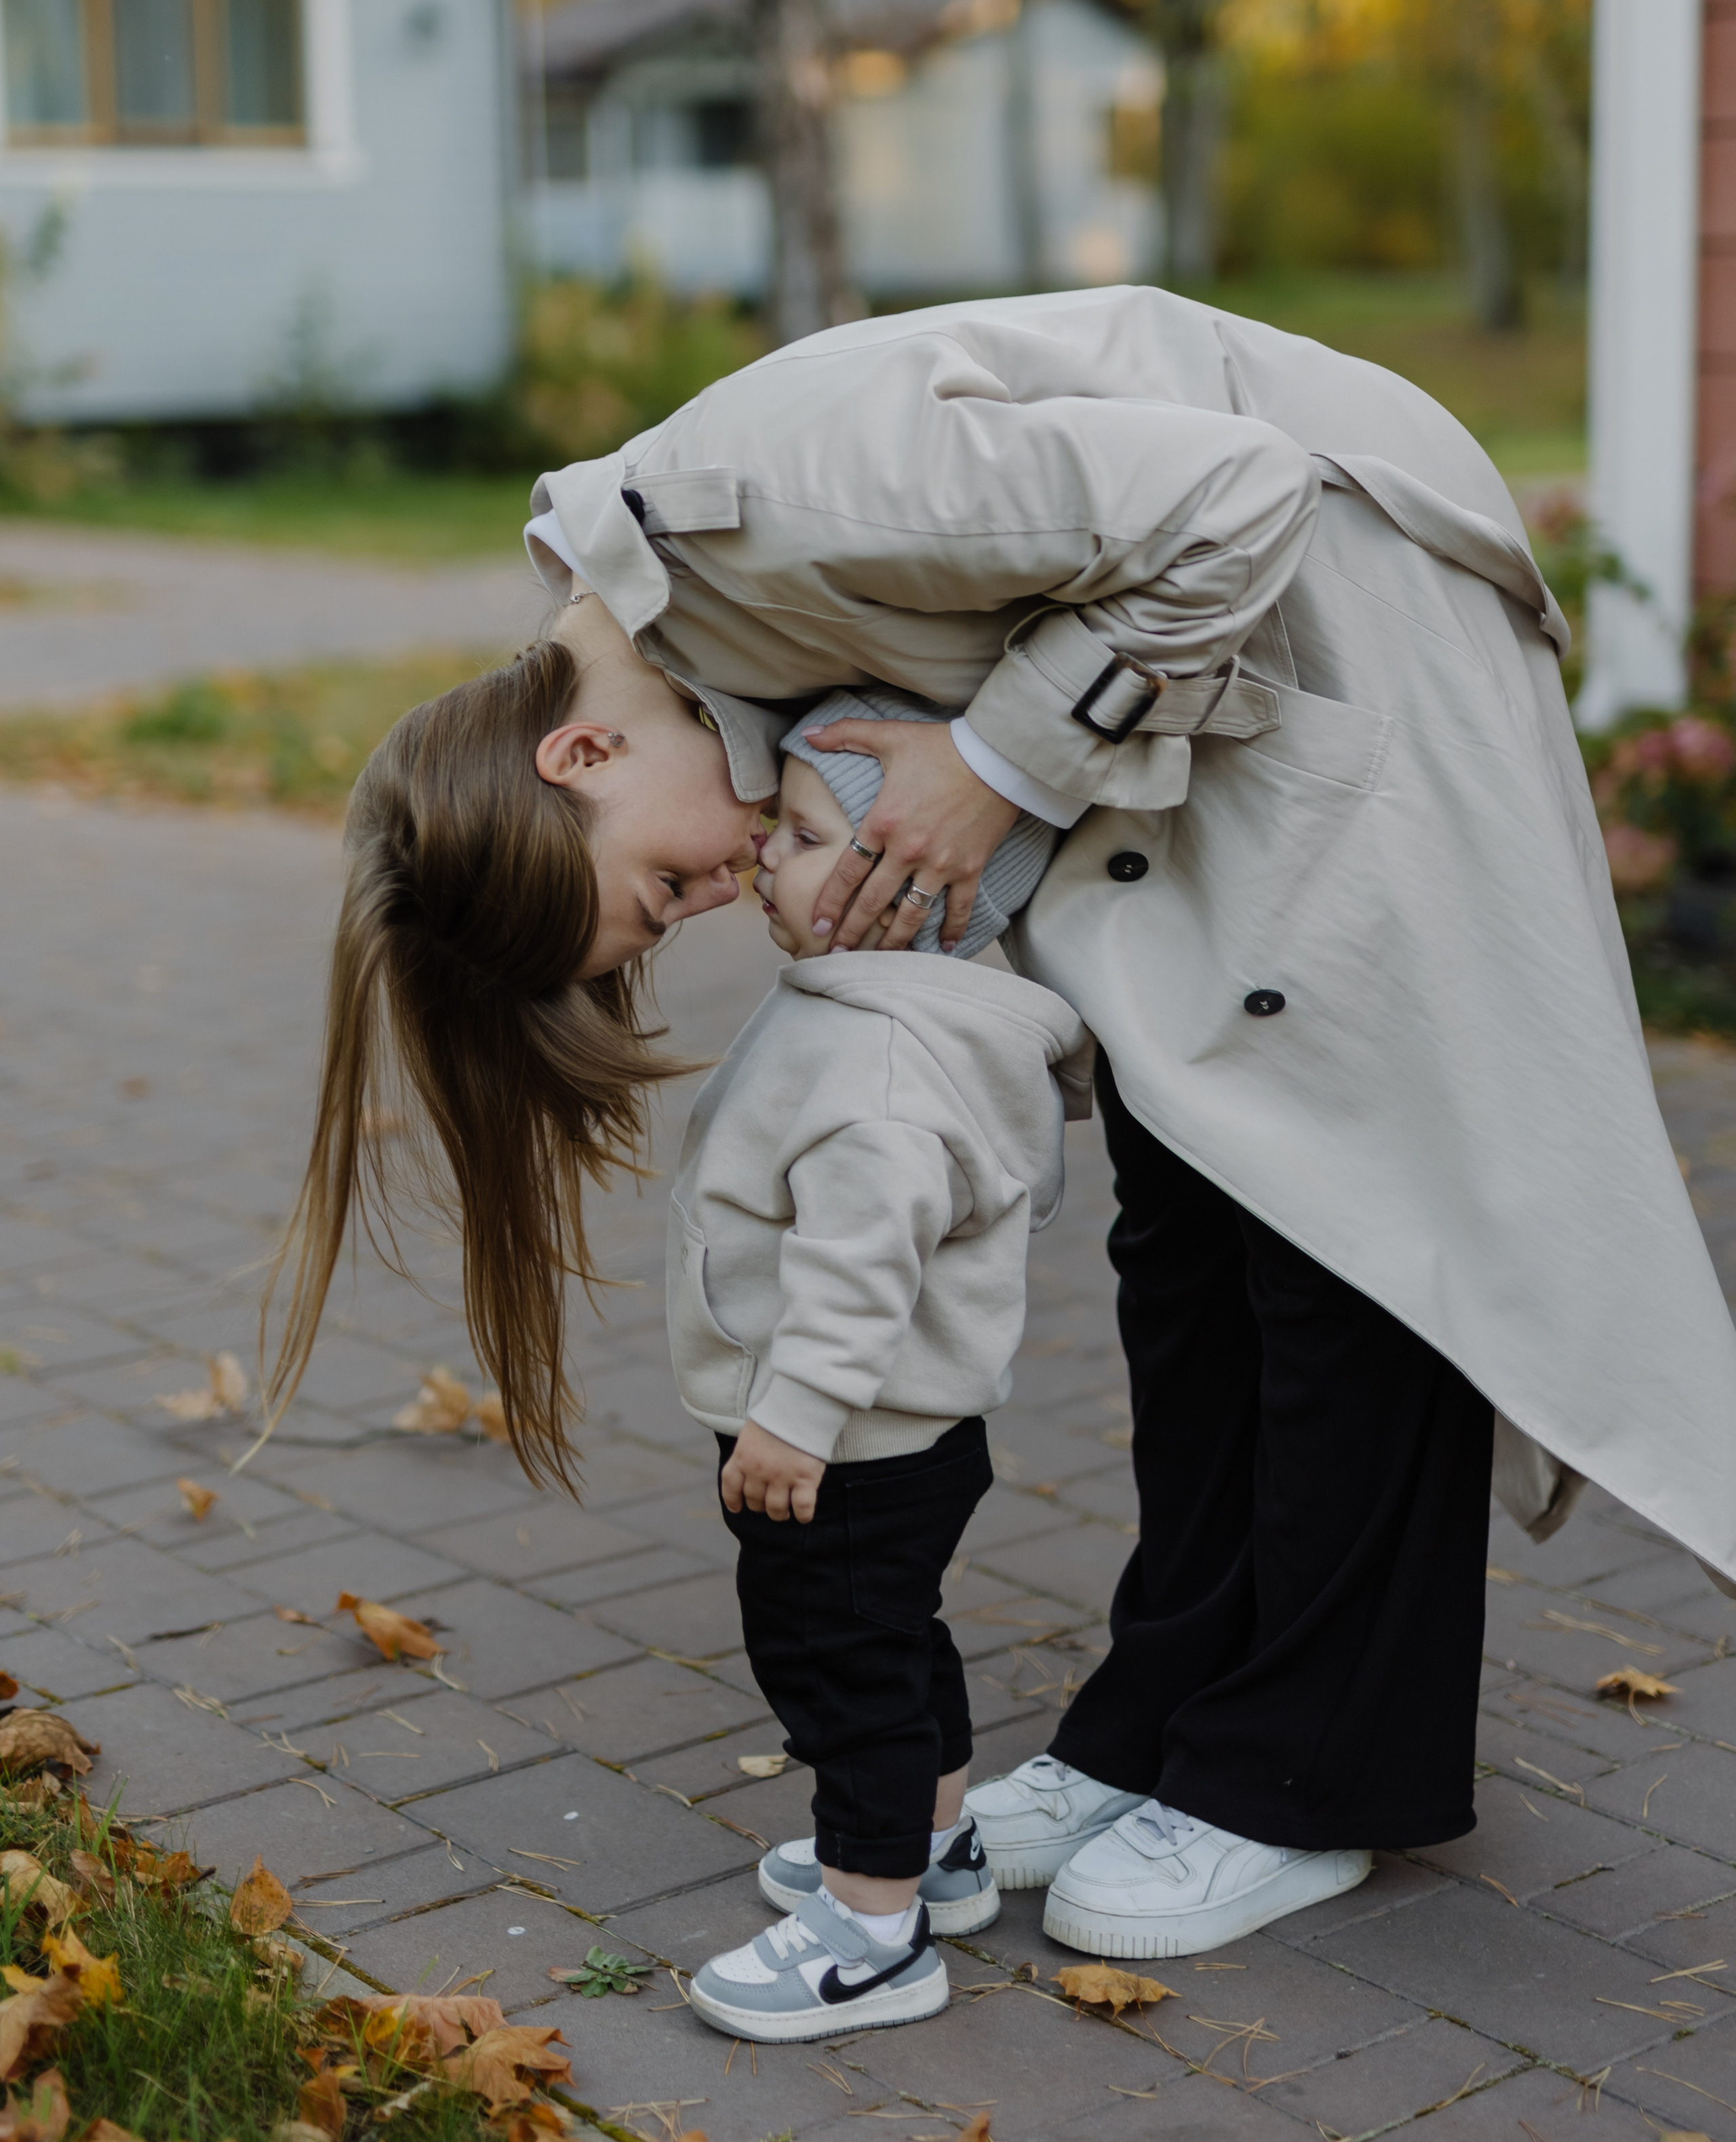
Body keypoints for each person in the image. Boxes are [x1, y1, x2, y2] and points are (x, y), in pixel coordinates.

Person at [271, 285, 1736, 1968]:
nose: (713, 898)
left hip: (1344, 615)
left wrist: (995, 760)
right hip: (1200, 693)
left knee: (1341, 1205)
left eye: (660, 888)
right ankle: (1163, 1715)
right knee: (1185, 1205)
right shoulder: (690, 633)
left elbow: (1232, 496)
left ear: (582, 744)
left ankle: (1305, 1773)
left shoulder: (753, 504)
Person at [667, 689, 1086, 2042]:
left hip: (839, 1443)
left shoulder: (881, 1068)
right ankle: (939, 1850)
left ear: (901, 892)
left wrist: (787, 1422)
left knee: (835, 1668)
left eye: (792, 837)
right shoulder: (875, 1010)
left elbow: (858, 1272)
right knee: (896, 1642)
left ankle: (868, 1930)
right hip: (899, 1435)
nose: (756, 858)